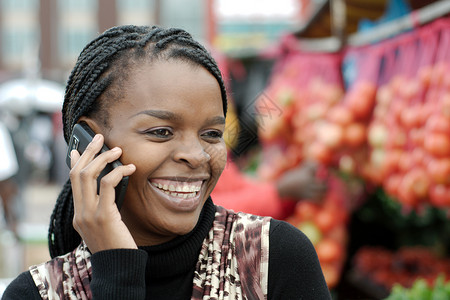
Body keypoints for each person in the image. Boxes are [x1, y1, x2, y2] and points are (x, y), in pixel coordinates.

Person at [2, 25, 331, 299]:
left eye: (212, 134)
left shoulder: (273, 260)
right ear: (88, 144)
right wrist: (117, 272)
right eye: (161, 131)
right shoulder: (37, 294)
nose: (197, 154)